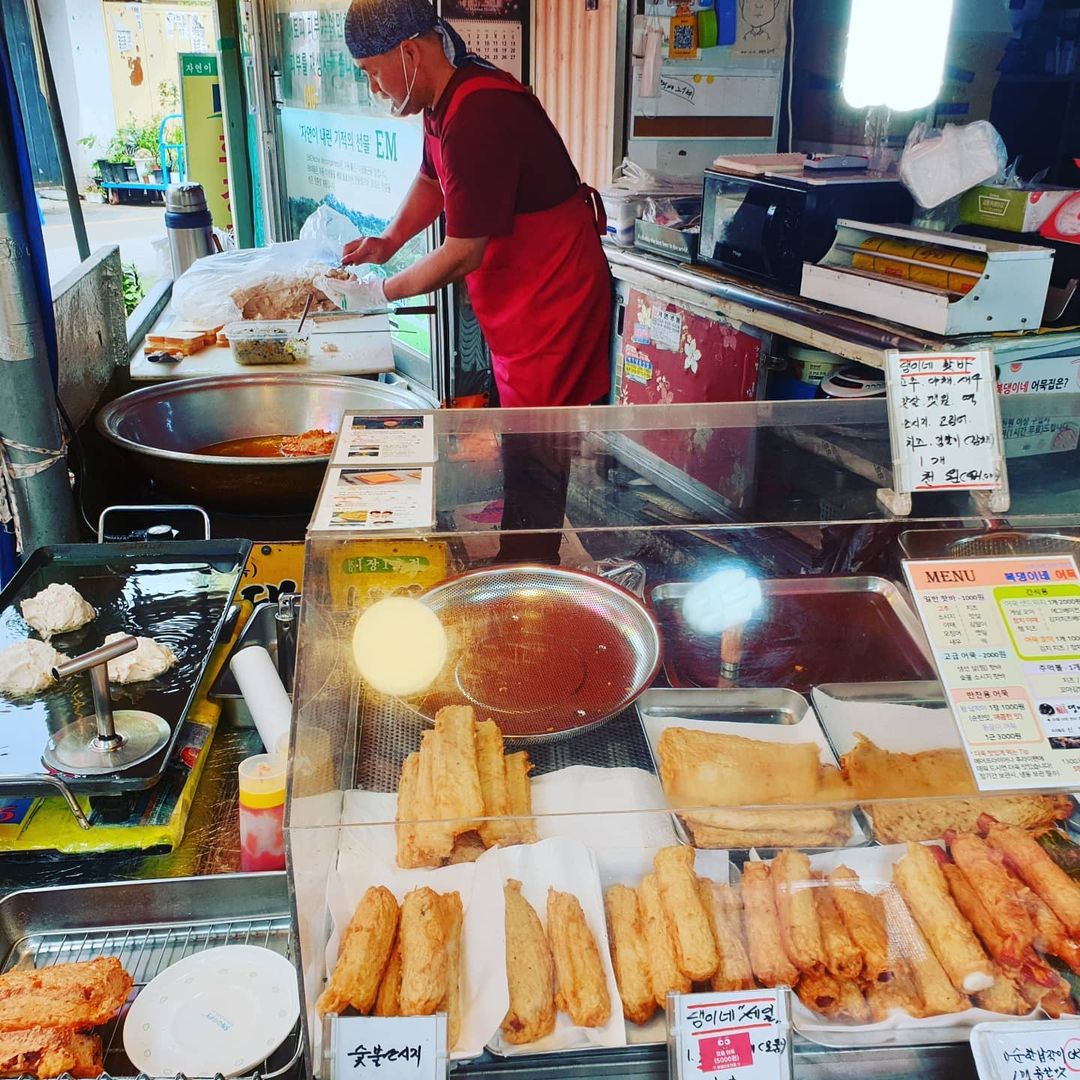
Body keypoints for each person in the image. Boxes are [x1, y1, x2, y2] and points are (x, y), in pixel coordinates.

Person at [341, 0, 612, 410]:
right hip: (518, 305)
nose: (374, 88)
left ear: (409, 53)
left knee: (543, 439)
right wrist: (389, 241)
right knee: (521, 428)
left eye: (372, 72)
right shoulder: (442, 99)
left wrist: (380, 293)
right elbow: (432, 181)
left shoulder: (479, 112)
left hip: (553, 305)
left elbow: (463, 253)